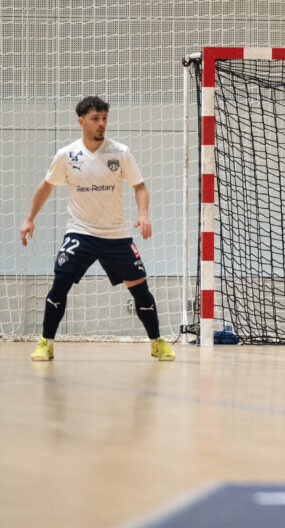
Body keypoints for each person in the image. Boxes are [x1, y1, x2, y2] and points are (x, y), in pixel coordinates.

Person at [19, 96, 175, 361]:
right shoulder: (66, 155)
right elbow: (46, 186)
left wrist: (144, 213)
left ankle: (156, 342)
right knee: (60, 284)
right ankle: (46, 342)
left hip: (116, 236)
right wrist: (29, 218)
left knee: (140, 290)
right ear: (81, 122)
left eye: (104, 118)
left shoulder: (120, 152)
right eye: (95, 119)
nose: (101, 124)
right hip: (80, 232)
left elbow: (140, 186)